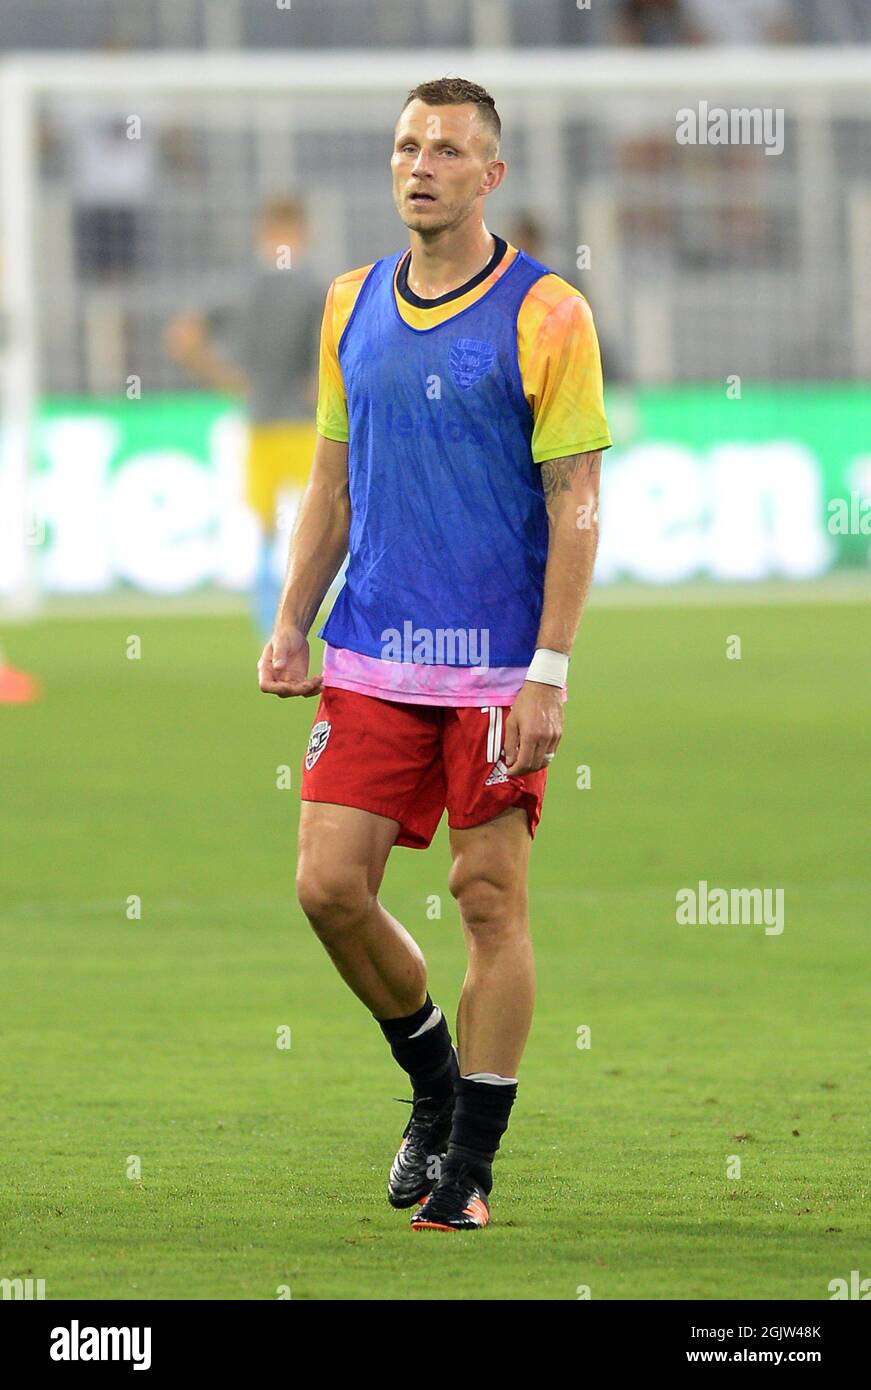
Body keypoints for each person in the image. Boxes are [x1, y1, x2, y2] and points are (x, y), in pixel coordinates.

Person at [258, 77, 611, 1232]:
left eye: (447, 150)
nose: (420, 165)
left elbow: (576, 500)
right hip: (370, 653)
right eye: (407, 145)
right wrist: (292, 613)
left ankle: (469, 1166)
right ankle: (432, 1081)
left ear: (489, 175)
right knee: (326, 887)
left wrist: (549, 667)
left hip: (494, 670)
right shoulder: (348, 302)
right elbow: (331, 477)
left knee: (487, 898)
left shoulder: (546, 312)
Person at [164, 197, 322, 634]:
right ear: (302, 234)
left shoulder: (242, 285)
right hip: (307, 424)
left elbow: (183, 337)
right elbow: (342, 346)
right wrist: (320, 384)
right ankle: (310, 607)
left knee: (266, 522)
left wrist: (226, 377)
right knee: (320, 515)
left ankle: (266, 612)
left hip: (261, 419)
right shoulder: (315, 287)